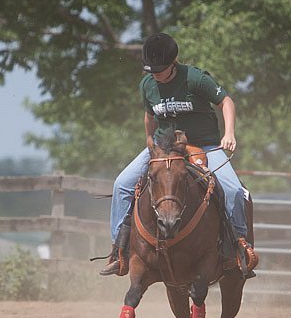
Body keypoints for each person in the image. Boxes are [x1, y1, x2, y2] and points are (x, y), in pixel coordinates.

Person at [100, 32, 255, 276]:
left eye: (160, 70)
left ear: (173, 63)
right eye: (151, 70)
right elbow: (150, 115)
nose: (156, 75)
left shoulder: (195, 78)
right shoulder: (148, 85)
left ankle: (239, 246)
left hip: (205, 146)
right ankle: (119, 251)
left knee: (233, 190)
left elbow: (226, 102)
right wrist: (150, 142)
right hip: (165, 149)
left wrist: (229, 134)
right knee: (122, 185)